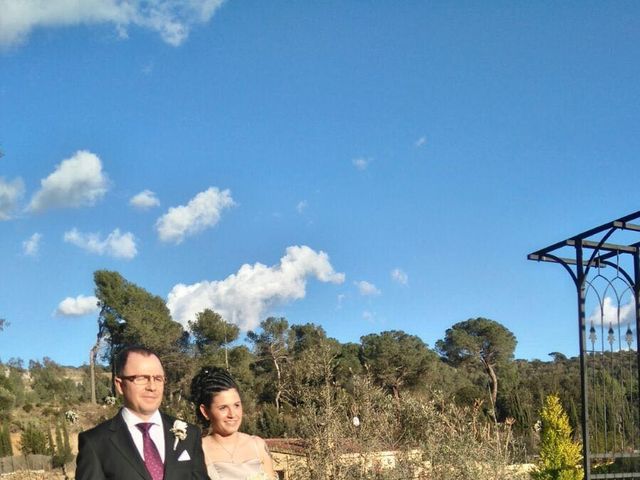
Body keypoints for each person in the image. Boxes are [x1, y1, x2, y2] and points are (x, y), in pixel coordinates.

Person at [76, 346, 209, 480]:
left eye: (158, 379)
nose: (152, 387)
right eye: (141, 378)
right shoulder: (96, 443)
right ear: (120, 385)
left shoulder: (190, 435)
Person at [190, 367, 276, 480]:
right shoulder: (197, 451)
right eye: (223, 408)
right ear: (205, 411)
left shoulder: (258, 445)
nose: (232, 414)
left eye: (236, 405)